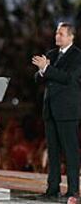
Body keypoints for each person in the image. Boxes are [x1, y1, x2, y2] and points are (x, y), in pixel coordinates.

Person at [33, 22, 81, 202]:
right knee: (53, 152)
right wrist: (41, 71)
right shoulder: (52, 54)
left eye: (61, 34)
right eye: (56, 33)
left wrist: (47, 69)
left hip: (68, 111)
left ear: (71, 36)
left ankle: (73, 190)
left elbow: (68, 78)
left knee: (70, 152)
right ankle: (52, 188)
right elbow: (37, 78)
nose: (57, 36)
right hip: (50, 110)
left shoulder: (77, 56)